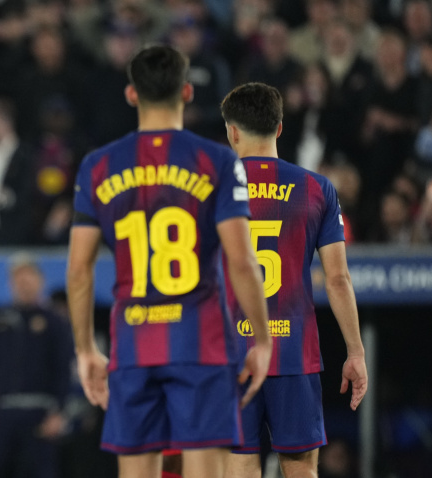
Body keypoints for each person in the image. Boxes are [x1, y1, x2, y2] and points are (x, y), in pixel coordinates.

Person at [67, 44, 272, 478]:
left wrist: (86, 349)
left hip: (133, 343)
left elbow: (79, 269)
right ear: (188, 91)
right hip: (201, 344)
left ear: (130, 95)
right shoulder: (218, 161)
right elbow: (241, 261)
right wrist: (262, 339)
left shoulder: (97, 166)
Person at [220, 82, 368, 478]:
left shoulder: (212, 189)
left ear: (232, 132)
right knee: (301, 470)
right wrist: (355, 352)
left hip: (231, 355)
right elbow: (338, 280)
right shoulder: (316, 188)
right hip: (294, 354)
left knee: (238, 468)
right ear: (280, 127)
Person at [0, 253, 74, 478]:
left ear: (41, 281)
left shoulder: (55, 322)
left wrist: (60, 414)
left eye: (29, 278)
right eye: (18, 279)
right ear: (10, 284)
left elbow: (63, 371)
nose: (24, 284)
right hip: (2, 414)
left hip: (40, 414)